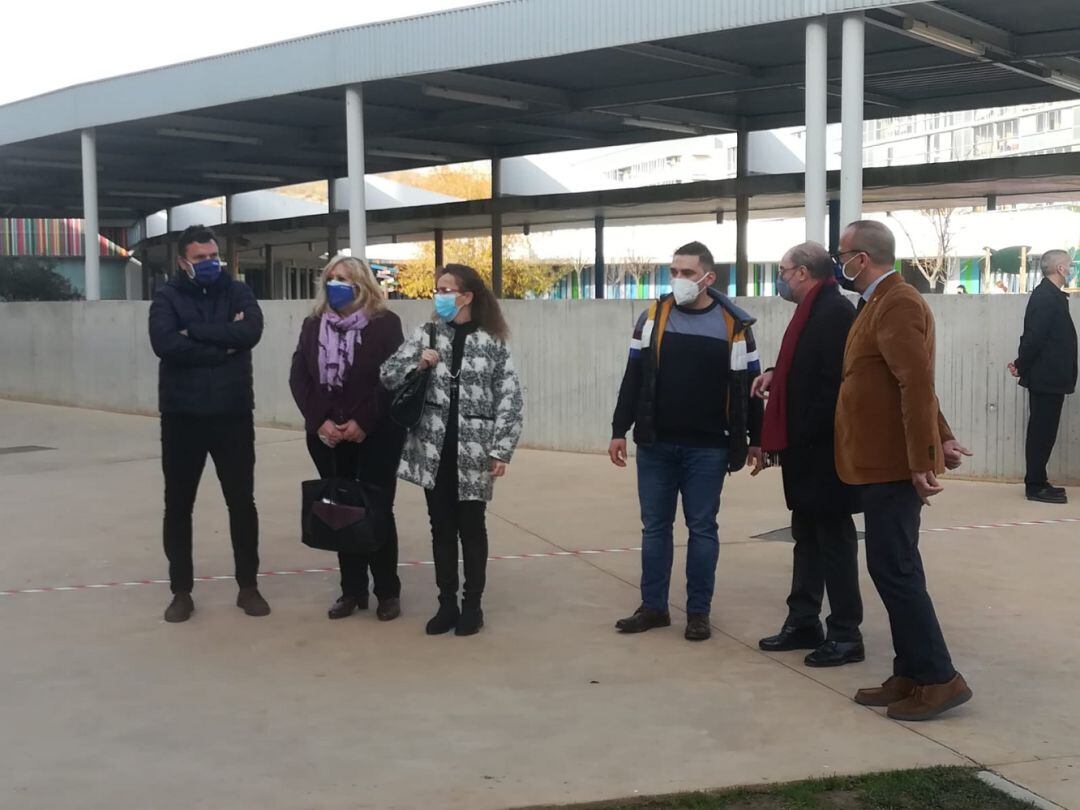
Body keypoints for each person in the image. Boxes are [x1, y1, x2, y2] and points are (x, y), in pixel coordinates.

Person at [834, 220, 973, 721]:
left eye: (843, 253)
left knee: (896, 571)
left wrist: (922, 458)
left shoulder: (897, 302)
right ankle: (911, 673)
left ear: (862, 258)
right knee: (890, 568)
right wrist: (944, 435)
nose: (840, 261)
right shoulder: (877, 301)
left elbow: (915, 382)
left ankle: (939, 678)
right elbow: (908, 384)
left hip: (892, 465)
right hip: (878, 462)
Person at [609, 241, 764, 642]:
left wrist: (756, 440)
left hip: (709, 448)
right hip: (656, 444)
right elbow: (634, 378)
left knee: (702, 529)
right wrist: (618, 430)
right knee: (655, 528)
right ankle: (654, 607)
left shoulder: (735, 326)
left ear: (708, 278)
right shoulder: (652, 318)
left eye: (687, 273)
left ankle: (698, 612)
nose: (678, 279)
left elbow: (751, 387)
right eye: (674, 271)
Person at [380, 264, 524, 636]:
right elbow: (387, 374)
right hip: (433, 449)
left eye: (446, 289)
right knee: (440, 527)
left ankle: (472, 605)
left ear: (466, 296)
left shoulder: (493, 341)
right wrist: (418, 362)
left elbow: (510, 397)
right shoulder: (427, 333)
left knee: (472, 527)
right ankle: (446, 603)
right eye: (437, 289)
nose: (439, 296)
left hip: (474, 451)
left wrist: (501, 449)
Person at [752, 242, 864, 667]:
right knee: (806, 538)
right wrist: (774, 375)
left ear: (802, 272)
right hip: (805, 450)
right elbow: (804, 367)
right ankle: (803, 621)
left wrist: (802, 433)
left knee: (834, 541)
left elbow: (836, 384)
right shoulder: (813, 311)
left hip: (825, 450)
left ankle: (846, 633)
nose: (780, 278)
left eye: (782, 270)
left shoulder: (834, 312)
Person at [148, 225, 267, 623]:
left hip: (232, 414)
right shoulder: (167, 296)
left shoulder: (238, 292)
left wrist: (195, 333)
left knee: (242, 502)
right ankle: (181, 591)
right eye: (200, 258)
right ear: (183, 261)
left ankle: (248, 586)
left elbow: (250, 330)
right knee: (179, 505)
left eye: (213, 255)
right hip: (182, 417)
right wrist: (224, 348)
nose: (210, 263)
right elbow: (165, 344)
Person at [290, 256, 406, 621]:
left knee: (376, 508)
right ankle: (351, 591)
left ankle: (387, 590)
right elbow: (300, 377)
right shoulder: (312, 325)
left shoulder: (386, 324)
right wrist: (321, 420)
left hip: (376, 435)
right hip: (327, 436)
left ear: (363, 286)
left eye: (345, 279)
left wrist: (362, 422)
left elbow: (393, 378)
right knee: (340, 509)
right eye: (331, 278)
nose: (336, 284)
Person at [1008, 249, 1077, 504]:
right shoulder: (1045, 297)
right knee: (1041, 432)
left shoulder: (1052, 296)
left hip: (1052, 377)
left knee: (1045, 431)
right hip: (1046, 377)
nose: (1070, 270)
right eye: (1068, 266)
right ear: (1060, 269)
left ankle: (1039, 479)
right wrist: (1020, 364)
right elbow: (1033, 338)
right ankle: (1035, 485)